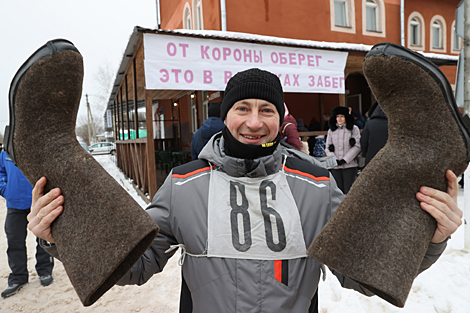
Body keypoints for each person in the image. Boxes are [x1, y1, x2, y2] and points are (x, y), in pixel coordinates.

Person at [28, 68, 462, 312]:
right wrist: (57, 233)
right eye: (243, 108)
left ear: (280, 119)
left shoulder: (316, 184)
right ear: (227, 113)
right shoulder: (183, 183)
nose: (255, 122)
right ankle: (46, 141)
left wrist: (431, 238)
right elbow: (133, 266)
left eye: (267, 110)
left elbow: (362, 272)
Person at [0, 151, 54, 298]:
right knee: (14, 240)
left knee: (43, 238)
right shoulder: (5, 152)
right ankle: (18, 277)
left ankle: (45, 270)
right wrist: (5, 190)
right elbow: (1, 172)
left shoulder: (34, 146)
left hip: (37, 204)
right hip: (14, 204)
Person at [325, 106, 361, 194]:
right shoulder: (331, 130)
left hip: (350, 165)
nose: (339, 119)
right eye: (337, 116)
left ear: (346, 117)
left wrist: (345, 159)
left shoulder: (354, 129)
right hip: (335, 166)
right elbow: (327, 147)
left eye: (342, 116)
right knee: (337, 189)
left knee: (349, 189)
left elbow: (357, 146)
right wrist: (334, 159)